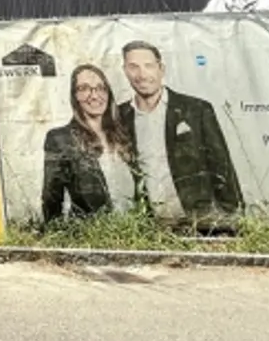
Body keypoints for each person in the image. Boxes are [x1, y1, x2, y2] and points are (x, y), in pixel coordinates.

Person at [117, 40, 243, 221]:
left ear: (161, 69)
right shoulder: (119, 116)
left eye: (148, 66)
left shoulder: (196, 109)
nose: (142, 74)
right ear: (125, 71)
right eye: (133, 67)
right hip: (149, 226)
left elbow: (222, 166)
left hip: (200, 222)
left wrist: (234, 219)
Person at [41, 64, 140, 222]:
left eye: (101, 88)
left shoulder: (125, 132)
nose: (94, 96)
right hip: (92, 232)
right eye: (84, 88)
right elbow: (52, 199)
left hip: (136, 229)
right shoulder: (61, 138)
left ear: (108, 93)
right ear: (75, 96)